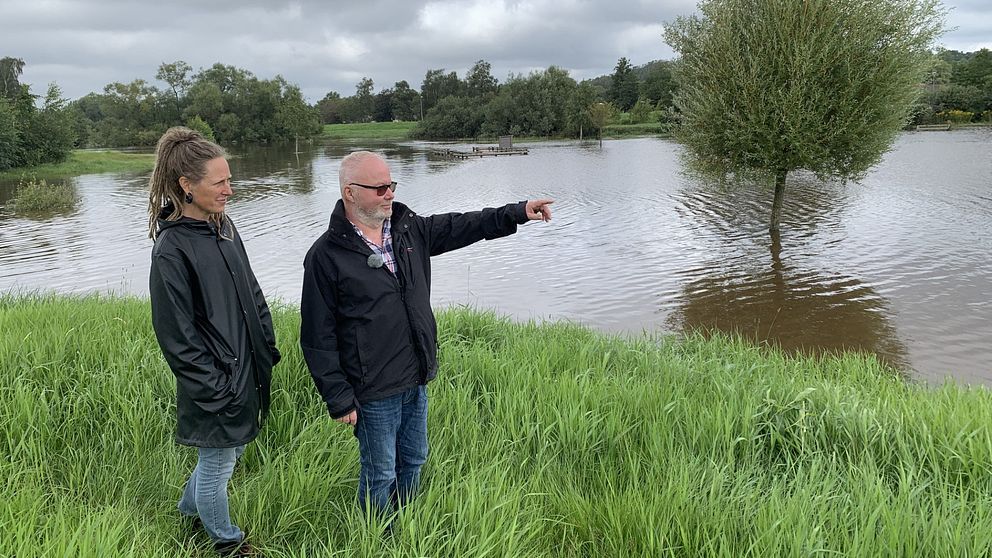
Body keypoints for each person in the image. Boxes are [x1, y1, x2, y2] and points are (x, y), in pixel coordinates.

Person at [300, 150, 553, 518]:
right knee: (380, 472)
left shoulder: (408, 230)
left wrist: (516, 212)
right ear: (350, 192)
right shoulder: (325, 256)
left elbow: (463, 225)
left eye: (392, 185)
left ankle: (406, 523)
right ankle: (376, 537)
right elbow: (317, 337)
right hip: (371, 388)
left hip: (415, 374)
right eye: (380, 187)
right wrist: (338, 397)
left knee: (414, 460)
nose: (390, 193)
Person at [147, 127, 280, 557]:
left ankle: (188, 515)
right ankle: (227, 543)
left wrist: (266, 342)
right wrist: (215, 388)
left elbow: (251, 290)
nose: (230, 190)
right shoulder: (172, 249)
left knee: (229, 453)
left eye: (229, 179)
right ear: (187, 185)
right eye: (220, 182)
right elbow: (176, 336)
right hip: (217, 380)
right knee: (218, 464)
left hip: (248, 366)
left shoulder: (223, 227)